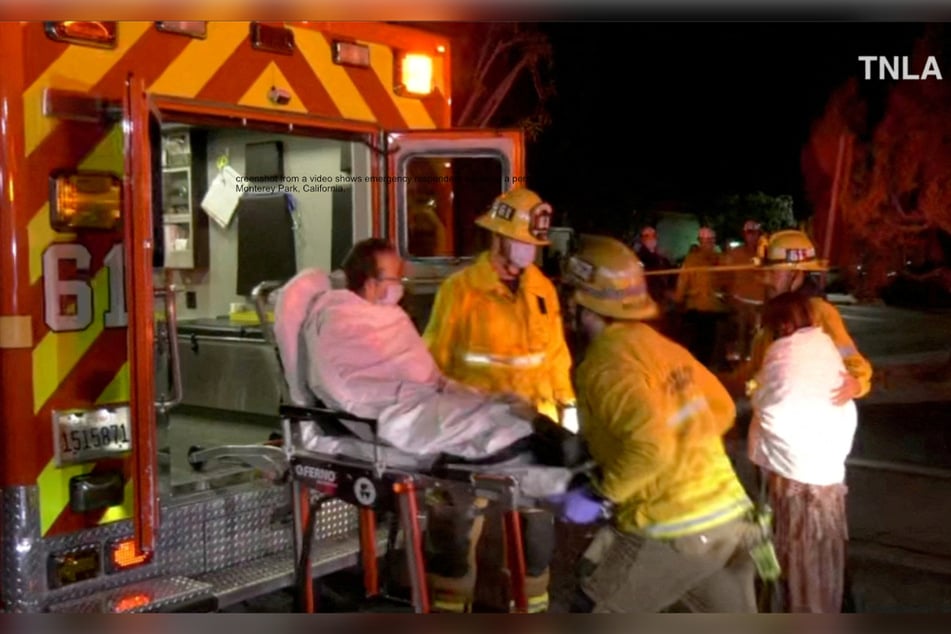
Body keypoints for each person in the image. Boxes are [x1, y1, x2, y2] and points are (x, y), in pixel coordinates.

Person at [550, 235, 760, 613]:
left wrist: (601, 494)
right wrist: (678, 449)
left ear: (581, 300)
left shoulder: (603, 364)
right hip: (729, 517)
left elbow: (650, 447)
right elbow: (722, 408)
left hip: (672, 527)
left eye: (569, 293)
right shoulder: (661, 347)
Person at [421, 188, 576, 613]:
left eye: (534, 243)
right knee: (453, 540)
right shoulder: (461, 291)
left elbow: (557, 359)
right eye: (524, 240)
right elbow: (432, 361)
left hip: (533, 436)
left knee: (534, 541)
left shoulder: (542, 289)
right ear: (498, 236)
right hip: (472, 437)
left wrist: (567, 422)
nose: (530, 250)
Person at [747, 291, 858, 613]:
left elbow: (775, 406)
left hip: (797, 475)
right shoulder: (819, 342)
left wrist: (756, 391)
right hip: (824, 468)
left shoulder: (789, 349)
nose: (765, 279)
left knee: (800, 552)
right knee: (821, 549)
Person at [719, 230, 873, 406]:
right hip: (777, 419)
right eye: (765, 273)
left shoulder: (821, 313)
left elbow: (855, 364)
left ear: (795, 273)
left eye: (773, 273)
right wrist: (718, 384)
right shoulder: (772, 321)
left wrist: (856, 385)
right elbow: (754, 371)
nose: (766, 281)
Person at [674, 227, 730, 368]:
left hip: (713, 310)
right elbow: (683, 281)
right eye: (704, 241)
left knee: (709, 346)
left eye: (710, 241)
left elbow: (728, 282)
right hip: (698, 309)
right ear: (700, 242)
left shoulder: (721, 259)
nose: (707, 244)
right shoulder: (692, 260)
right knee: (700, 345)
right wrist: (679, 300)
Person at [722, 220, 768, 361]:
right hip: (741, 301)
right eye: (749, 233)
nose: (752, 237)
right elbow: (726, 275)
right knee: (741, 335)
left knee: (758, 336)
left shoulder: (765, 254)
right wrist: (729, 295)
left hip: (760, 304)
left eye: (755, 233)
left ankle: (755, 363)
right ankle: (742, 364)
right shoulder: (736, 253)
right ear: (744, 235)